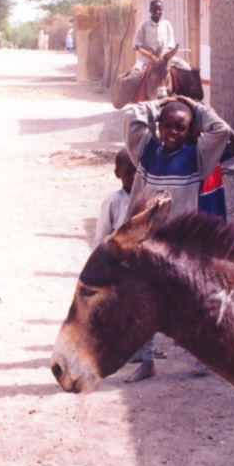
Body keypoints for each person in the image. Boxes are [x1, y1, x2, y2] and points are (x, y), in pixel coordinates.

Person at [122, 95, 234, 382]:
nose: (173, 132)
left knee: (191, 299)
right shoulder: (146, 153)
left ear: (190, 131)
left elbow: (221, 131)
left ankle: (202, 356)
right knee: (143, 298)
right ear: (158, 127)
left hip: (181, 244)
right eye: (167, 126)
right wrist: (160, 103)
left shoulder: (198, 159)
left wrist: (196, 107)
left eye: (181, 128)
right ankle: (146, 360)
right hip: (147, 240)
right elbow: (131, 118)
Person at [95, 150, 155, 379]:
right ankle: (138, 352)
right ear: (117, 174)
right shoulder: (113, 202)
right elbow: (102, 234)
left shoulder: (149, 199)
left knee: (145, 309)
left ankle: (148, 361)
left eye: (136, 172)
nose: (132, 177)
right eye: (127, 173)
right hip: (121, 264)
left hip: (144, 263)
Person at [131, 0, 175, 69]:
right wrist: (151, 56)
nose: (157, 12)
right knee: (134, 72)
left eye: (159, 9)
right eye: (154, 9)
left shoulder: (167, 25)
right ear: (150, 10)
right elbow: (138, 46)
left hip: (165, 59)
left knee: (185, 67)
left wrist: (163, 56)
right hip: (146, 59)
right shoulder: (143, 25)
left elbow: (170, 45)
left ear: (162, 10)